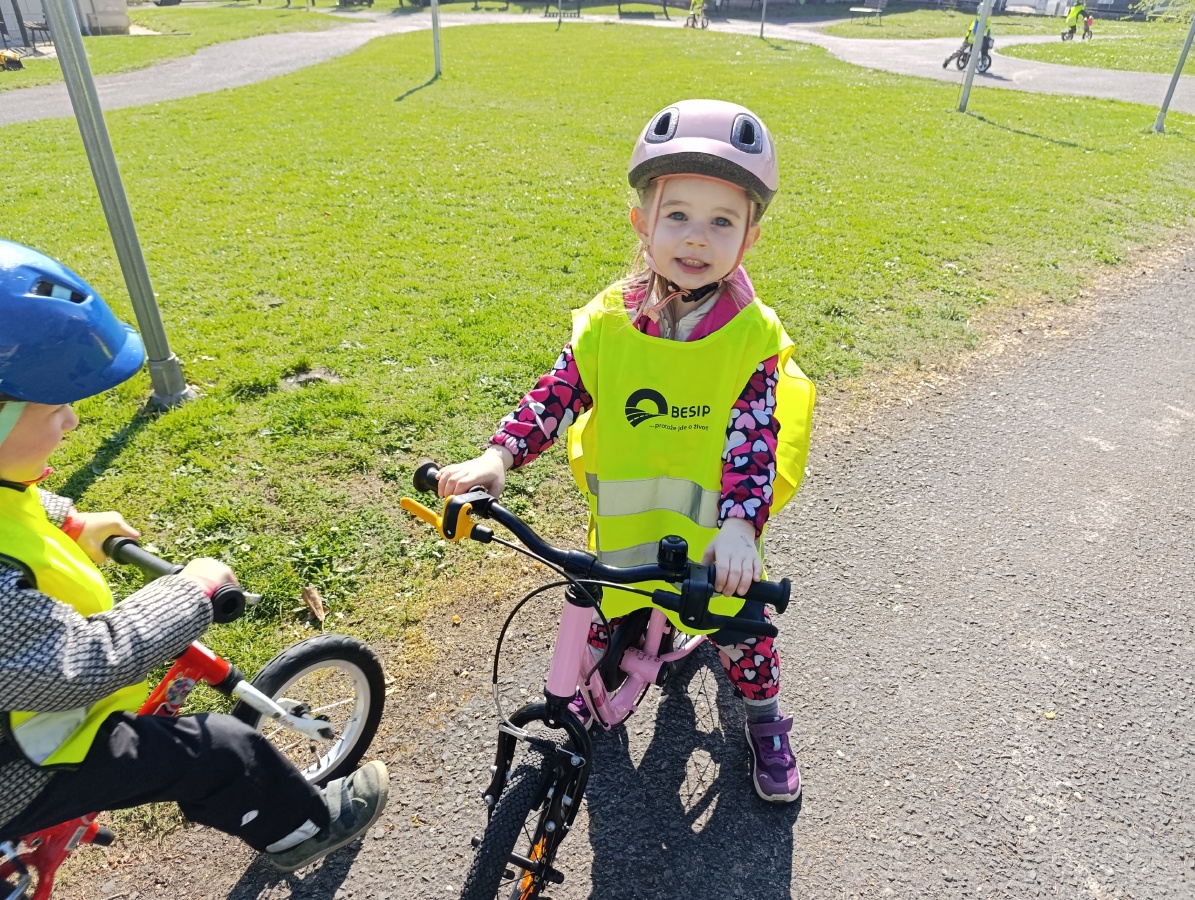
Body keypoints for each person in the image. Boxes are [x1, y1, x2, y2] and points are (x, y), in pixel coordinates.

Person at [435, 100, 816, 803]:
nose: (696, 237)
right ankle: (591, 688)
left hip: (712, 539)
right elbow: (557, 392)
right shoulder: (608, 322)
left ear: (750, 237)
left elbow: (754, 439)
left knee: (746, 637)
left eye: (721, 222)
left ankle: (764, 719)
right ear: (642, 222)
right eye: (678, 216)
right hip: (624, 535)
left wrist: (739, 527)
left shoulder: (751, 337)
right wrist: (499, 457)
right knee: (598, 615)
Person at [0, 240, 389, 873]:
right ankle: (304, 829)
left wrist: (69, 520)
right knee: (218, 749)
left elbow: (11, 503)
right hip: (17, 765)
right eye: (53, 408)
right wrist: (187, 595)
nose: (71, 422)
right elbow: (77, 665)